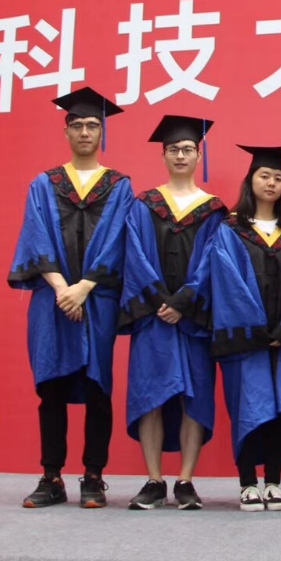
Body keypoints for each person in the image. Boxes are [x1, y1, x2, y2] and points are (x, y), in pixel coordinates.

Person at [8, 87, 133, 509]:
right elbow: (35, 234)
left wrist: (84, 286)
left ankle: (94, 476)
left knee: (98, 388)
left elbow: (118, 240)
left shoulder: (118, 186)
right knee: (52, 388)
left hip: (96, 300)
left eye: (92, 125)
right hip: (53, 300)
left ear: (102, 132)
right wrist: (62, 287)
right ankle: (51, 477)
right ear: (65, 132)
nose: (84, 132)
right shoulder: (44, 184)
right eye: (77, 125)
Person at [185, 145, 281, 511]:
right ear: (250, 180)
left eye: (278, 178)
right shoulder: (230, 230)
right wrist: (255, 327)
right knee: (247, 407)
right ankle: (247, 482)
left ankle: (273, 481)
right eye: (264, 176)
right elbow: (227, 281)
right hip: (244, 338)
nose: (271, 183)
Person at [120, 115, 225, 511]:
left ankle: (185, 480)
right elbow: (134, 255)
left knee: (193, 396)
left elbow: (214, 260)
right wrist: (160, 299)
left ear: (199, 155)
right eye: (174, 150)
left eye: (188, 149)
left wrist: (183, 302)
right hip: (153, 317)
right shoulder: (143, 204)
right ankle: (153, 480)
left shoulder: (214, 210)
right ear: (163, 155)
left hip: (193, 318)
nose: (181, 155)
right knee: (149, 394)